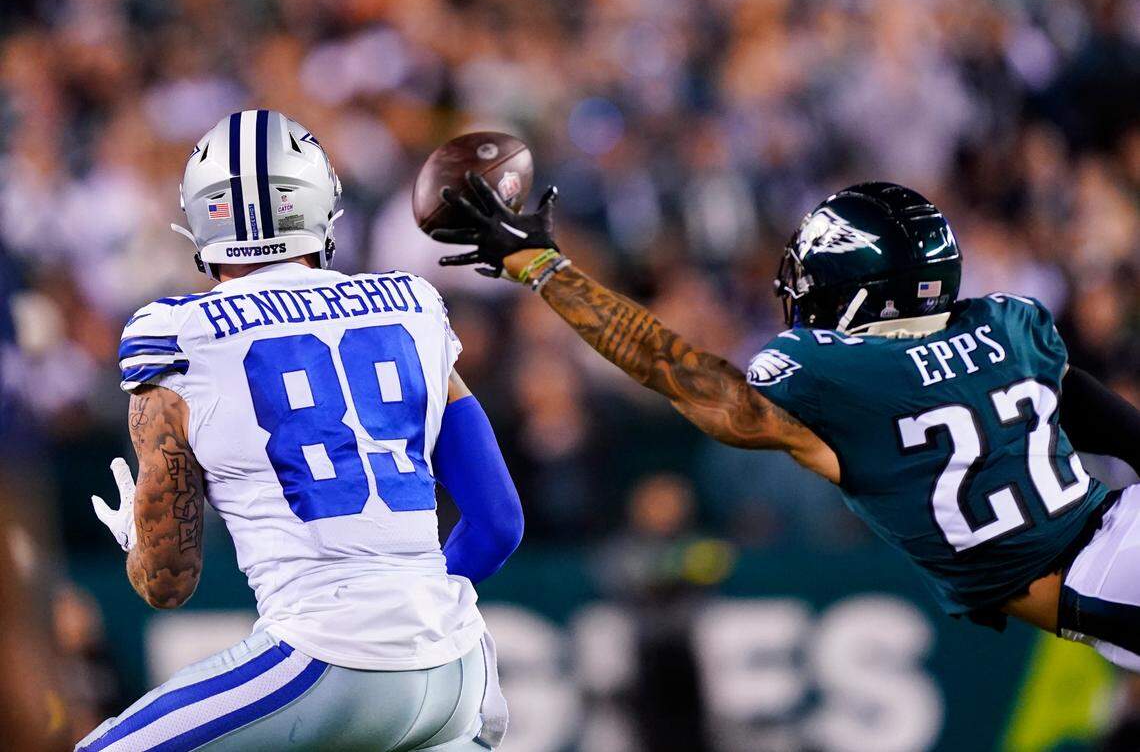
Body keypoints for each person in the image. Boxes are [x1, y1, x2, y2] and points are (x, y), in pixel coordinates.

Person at [431, 173, 1140, 671]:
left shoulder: (839, 381)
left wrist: (546, 269)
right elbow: (1073, 395)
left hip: (1107, 573)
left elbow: (672, 367)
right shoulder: (1008, 327)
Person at [80, 111, 522, 751]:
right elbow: (499, 521)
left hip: (322, 661)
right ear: (320, 204)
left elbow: (166, 583)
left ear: (202, 221)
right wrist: (411, 615)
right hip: (462, 673)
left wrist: (140, 535)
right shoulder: (413, 304)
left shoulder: (178, 335)